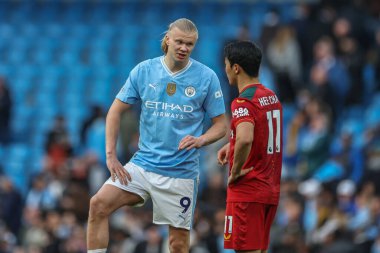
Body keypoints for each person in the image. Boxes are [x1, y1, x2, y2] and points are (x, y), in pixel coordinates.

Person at [87, 18, 227, 253]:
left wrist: (201, 140)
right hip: (143, 166)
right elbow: (114, 112)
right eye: (180, 42)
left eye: (190, 44)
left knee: (178, 244)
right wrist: (111, 156)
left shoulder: (206, 77)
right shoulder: (144, 70)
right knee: (98, 204)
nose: (184, 48)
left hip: (180, 173)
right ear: (168, 39)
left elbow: (222, 125)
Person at [217, 41, 283, 253]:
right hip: (269, 189)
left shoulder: (242, 102)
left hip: (248, 191)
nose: (225, 69)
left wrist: (235, 171)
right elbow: (257, 133)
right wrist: (232, 141)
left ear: (236, 68)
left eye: (226, 64)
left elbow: (246, 138)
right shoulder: (270, 97)